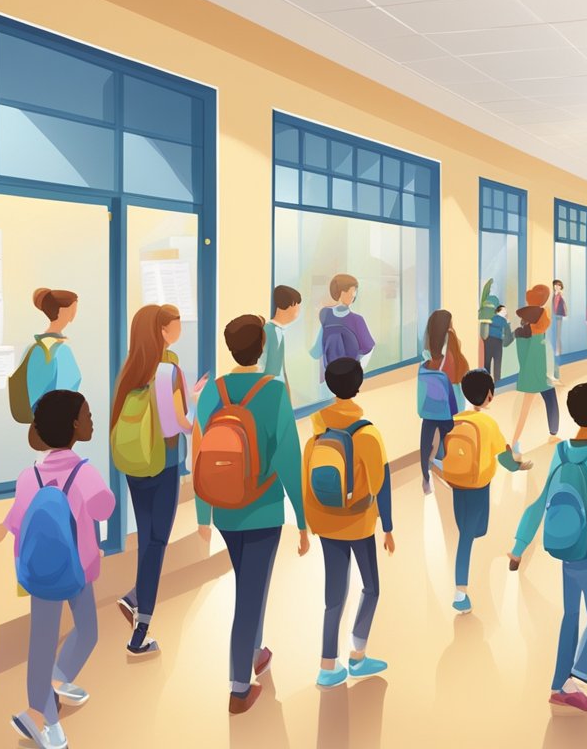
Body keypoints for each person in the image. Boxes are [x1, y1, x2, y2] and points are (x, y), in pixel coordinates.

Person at [194, 314, 307, 713]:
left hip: (225, 509)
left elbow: (200, 453)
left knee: (249, 583)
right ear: (262, 347)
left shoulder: (213, 392)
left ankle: (255, 651)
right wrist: (304, 521)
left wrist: (203, 515)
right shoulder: (274, 392)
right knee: (249, 594)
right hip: (262, 509)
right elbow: (289, 459)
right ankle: (239, 687)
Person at [508, 381, 587, 712]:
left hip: (565, 545)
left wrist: (519, 545)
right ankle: (575, 675)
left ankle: (558, 684)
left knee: (571, 615)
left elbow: (542, 500)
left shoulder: (561, 451)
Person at [3, 391, 114, 748]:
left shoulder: (27, 475)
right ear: (74, 427)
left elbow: (16, 524)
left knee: (41, 642)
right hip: (77, 570)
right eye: (88, 414)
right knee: (88, 631)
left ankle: (44, 696)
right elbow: (105, 509)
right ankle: (47, 714)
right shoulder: (84, 472)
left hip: (40, 572)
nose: (92, 420)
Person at [112, 304, 207, 656]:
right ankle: (140, 630)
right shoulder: (167, 370)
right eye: (177, 322)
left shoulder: (132, 368)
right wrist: (194, 406)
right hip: (163, 463)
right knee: (156, 543)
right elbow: (175, 425)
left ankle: (136, 596)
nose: (181, 326)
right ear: (163, 330)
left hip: (134, 463)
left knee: (149, 539)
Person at [307, 357, 394, 688]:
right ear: (358, 385)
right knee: (371, 587)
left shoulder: (318, 424)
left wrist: (308, 521)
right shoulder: (367, 433)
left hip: (326, 520)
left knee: (334, 593)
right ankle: (357, 656)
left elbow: (307, 471)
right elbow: (380, 483)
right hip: (358, 522)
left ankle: (327, 665)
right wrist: (388, 527)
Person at [446, 369, 529, 613]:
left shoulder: (456, 419)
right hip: (478, 486)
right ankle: (460, 592)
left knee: (472, 530)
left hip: (457, 483)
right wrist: (519, 466)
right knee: (467, 537)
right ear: (490, 396)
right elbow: (505, 458)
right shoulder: (488, 423)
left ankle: (463, 577)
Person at [418, 310, 470, 495]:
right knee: (447, 437)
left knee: (430, 436)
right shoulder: (451, 346)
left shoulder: (427, 352)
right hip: (451, 401)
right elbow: (461, 369)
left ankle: (426, 473)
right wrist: (456, 342)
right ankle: (445, 470)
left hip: (431, 402)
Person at [511, 284, 560, 458]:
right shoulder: (541, 328)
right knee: (551, 401)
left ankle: (515, 441)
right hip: (542, 373)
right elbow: (547, 356)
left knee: (526, 408)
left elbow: (521, 354)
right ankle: (553, 434)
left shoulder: (523, 329)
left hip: (530, 373)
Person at [24, 289, 82, 409]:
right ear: (61, 311)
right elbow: (67, 392)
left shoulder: (33, 347)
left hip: (37, 417)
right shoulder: (62, 351)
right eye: (72, 310)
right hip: (57, 418)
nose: (73, 316)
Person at [312, 273, 376, 383]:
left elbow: (318, 349)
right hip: (343, 374)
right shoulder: (356, 320)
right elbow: (368, 348)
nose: (354, 295)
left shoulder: (326, 314)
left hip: (335, 373)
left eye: (355, 292)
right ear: (342, 292)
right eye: (352, 291)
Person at [262, 284, 301, 384]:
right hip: (270, 387)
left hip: (278, 387)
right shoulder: (269, 330)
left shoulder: (280, 330)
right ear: (290, 304)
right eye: (297, 305)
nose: (298, 309)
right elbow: (263, 364)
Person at [483, 304, 513, 383]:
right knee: (494, 362)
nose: (506, 312)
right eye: (504, 310)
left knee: (490, 362)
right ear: (498, 311)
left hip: (492, 341)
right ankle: (496, 381)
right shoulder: (499, 319)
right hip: (493, 341)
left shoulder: (495, 318)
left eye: (506, 311)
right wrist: (508, 322)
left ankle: (491, 381)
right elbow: (506, 330)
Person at [550, 279, 567, 379]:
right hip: (554, 316)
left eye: (559, 285)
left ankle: (558, 351)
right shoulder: (554, 295)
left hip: (559, 316)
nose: (557, 287)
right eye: (556, 285)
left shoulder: (560, 296)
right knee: (555, 334)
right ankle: (556, 351)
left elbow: (563, 306)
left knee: (558, 335)